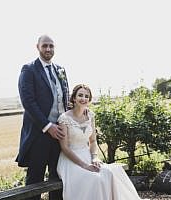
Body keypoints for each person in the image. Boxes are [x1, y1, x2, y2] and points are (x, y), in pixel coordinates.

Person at [57, 84, 148, 200]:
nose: (83, 98)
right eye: (80, 95)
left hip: (87, 155)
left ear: (89, 100)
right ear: (74, 98)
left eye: (86, 96)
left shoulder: (90, 115)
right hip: (70, 160)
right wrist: (84, 165)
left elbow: (93, 140)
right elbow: (65, 148)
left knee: (111, 173)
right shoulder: (64, 118)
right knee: (96, 179)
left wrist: (94, 157)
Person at [16, 35, 69, 200]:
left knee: (58, 175)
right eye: (45, 46)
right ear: (37, 47)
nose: (48, 49)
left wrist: (80, 112)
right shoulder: (29, 69)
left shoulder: (60, 69)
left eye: (51, 46)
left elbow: (66, 98)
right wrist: (48, 126)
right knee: (35, 178)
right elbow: (28, 102)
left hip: (61, 131)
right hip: (40, 133)